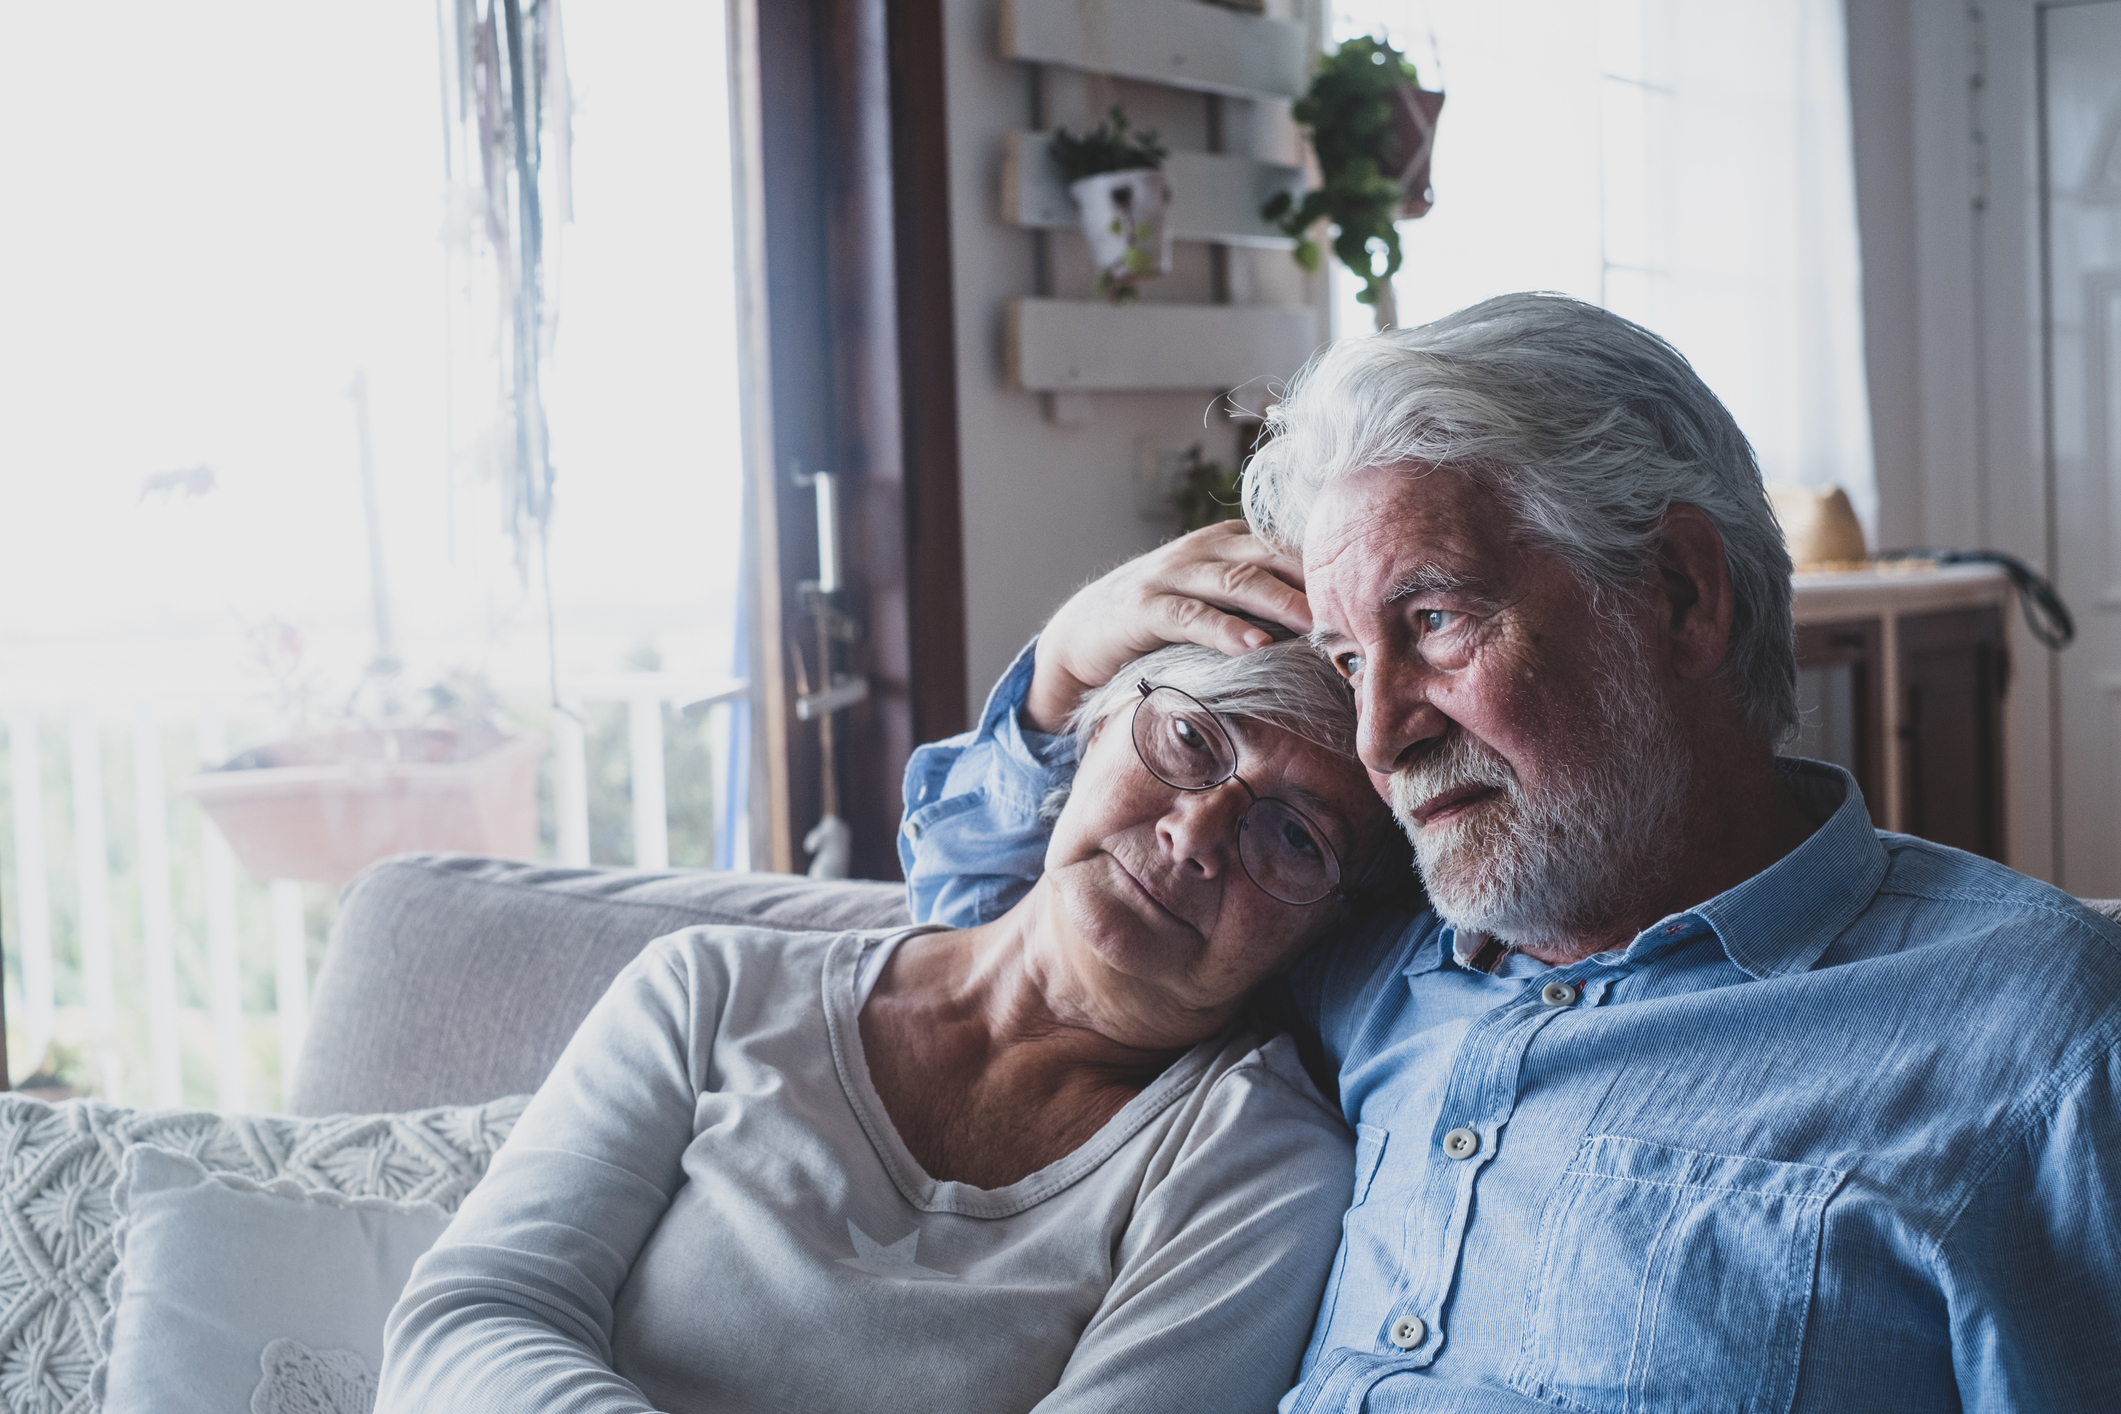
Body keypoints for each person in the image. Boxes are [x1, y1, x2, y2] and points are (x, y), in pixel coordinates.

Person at [899, 292, 2121, 1412]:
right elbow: (1009, 926)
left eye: (1431, 620)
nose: (1380, 734)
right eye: (1343, 660)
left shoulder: (2035, 1038)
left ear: (1685, 593)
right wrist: (1068, 660)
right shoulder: (1362, 950)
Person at [378, 637, 1407, 1414]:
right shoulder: (710, 989)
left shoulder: (1257, 1164)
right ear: (1097, 730)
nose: (1196, 832)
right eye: (1188, 738)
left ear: (1335, 923)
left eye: (1294, 835)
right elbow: (468, 1322)